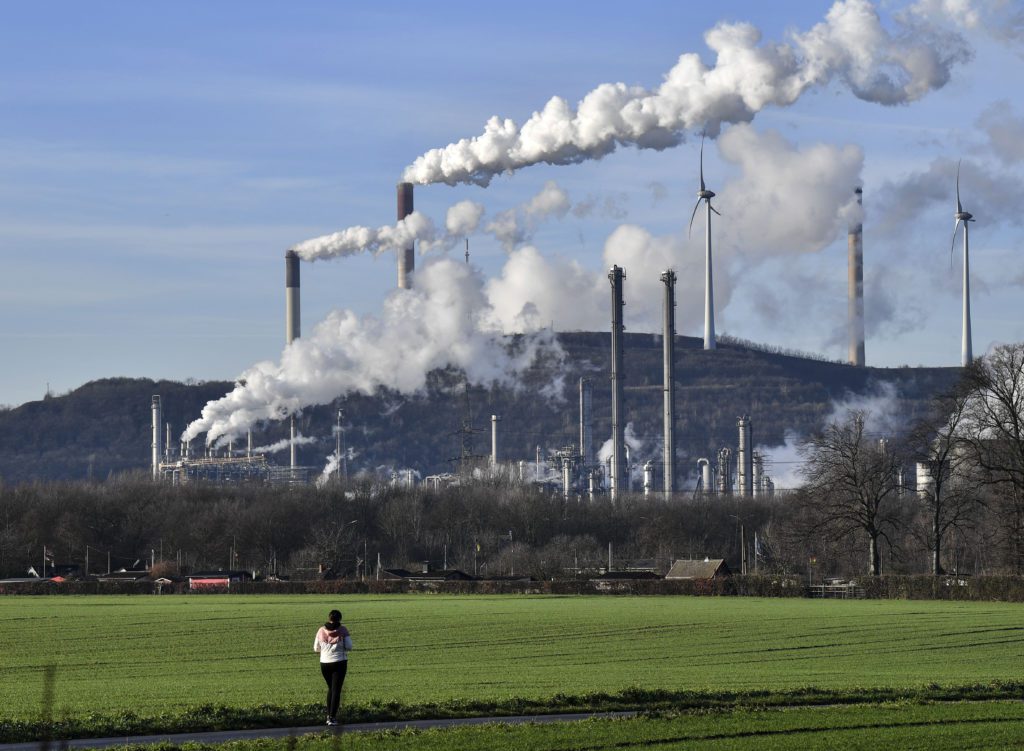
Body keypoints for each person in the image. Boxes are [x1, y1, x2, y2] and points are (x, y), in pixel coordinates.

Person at [313, 609, 353, 726]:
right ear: (340, 619)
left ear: (329, 618)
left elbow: (316, 648)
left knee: (331, 688)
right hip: (339, 662)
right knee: (336, 690)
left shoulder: (321, 630)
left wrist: (324, 650)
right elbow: (349, 646)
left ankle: (328, 715)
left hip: (324, 663)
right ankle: (332, 718)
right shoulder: (343, 630)